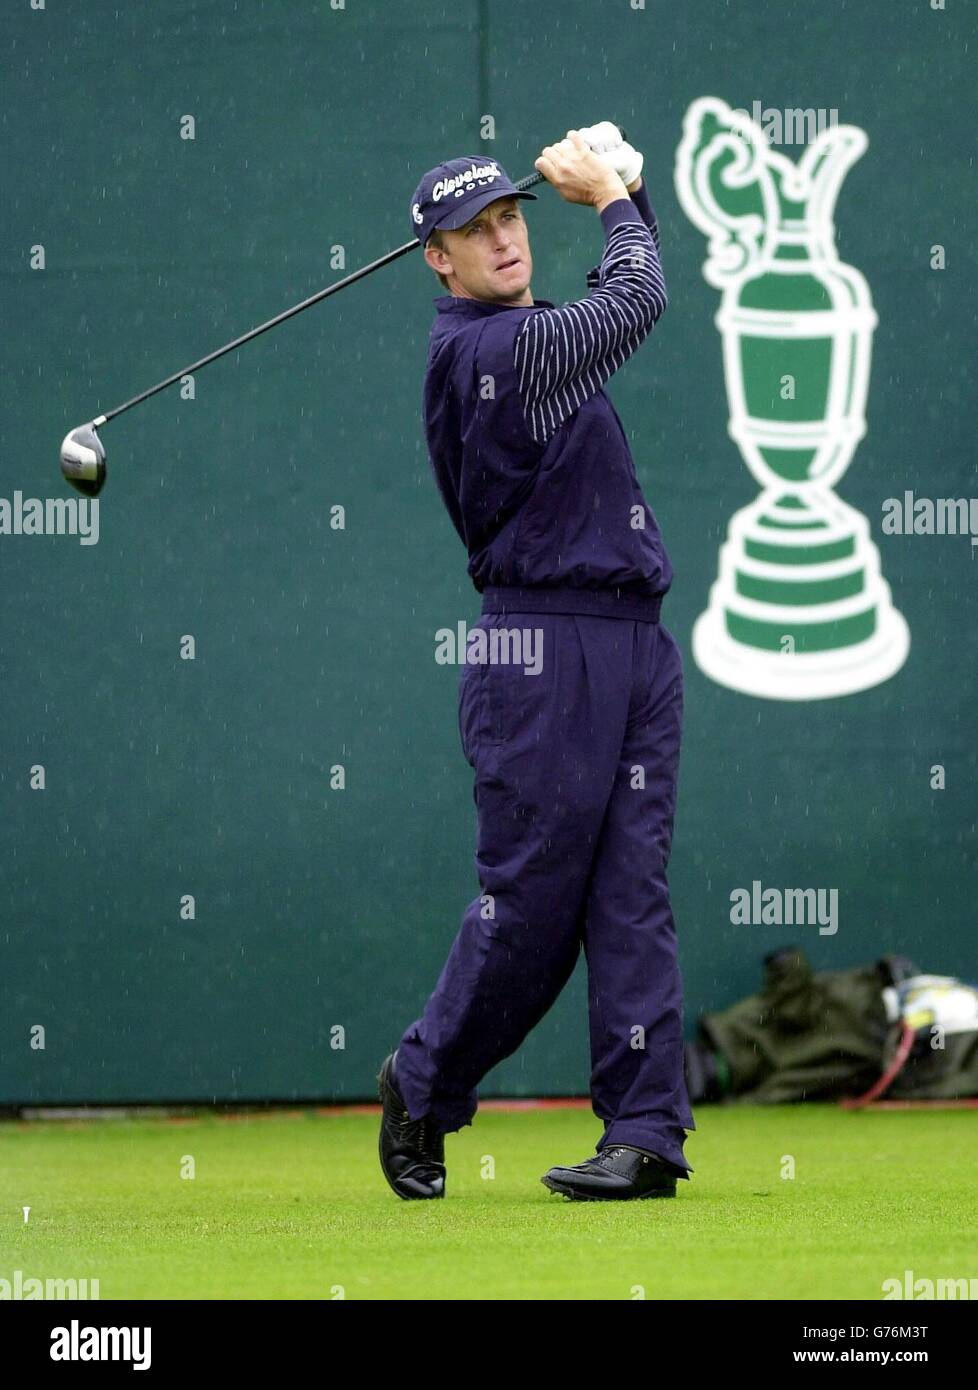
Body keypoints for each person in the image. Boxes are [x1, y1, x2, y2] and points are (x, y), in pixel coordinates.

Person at [378, 127, 695, 1201]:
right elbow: (636, 301)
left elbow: (625, 297)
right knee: (534, 913)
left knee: (630, 895)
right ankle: (424, 1079)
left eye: (511, 216)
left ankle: (645, 1132)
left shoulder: (539, 339)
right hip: (541, 649)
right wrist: (612, 194)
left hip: (633, 645)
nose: (506, 238)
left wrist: (631, 195)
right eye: (476, 230)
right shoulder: (494, 357)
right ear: (440, 259)